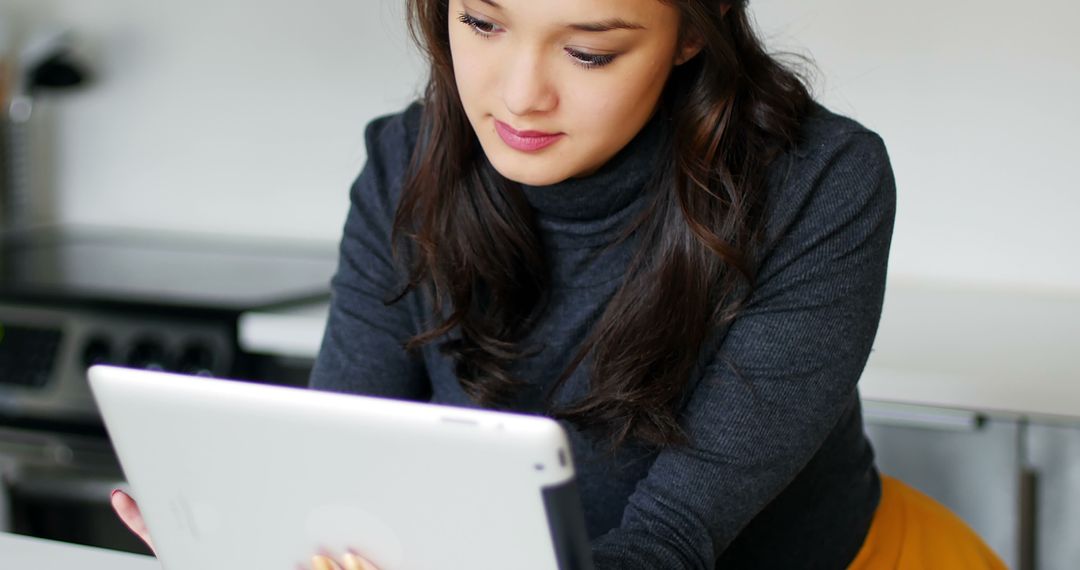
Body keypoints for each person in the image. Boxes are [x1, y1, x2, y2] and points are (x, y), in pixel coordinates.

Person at [112, 0, 1007, 568]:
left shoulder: (819, 180)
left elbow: (668, 544)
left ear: (693, 30)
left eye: (586, 52)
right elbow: (348, 457)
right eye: (483, 24)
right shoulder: (404, 159)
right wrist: (259, 539)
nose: (518, 96)